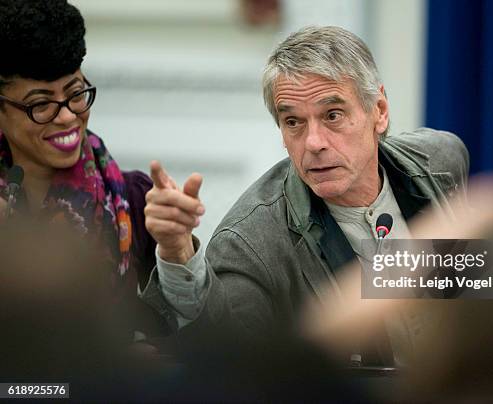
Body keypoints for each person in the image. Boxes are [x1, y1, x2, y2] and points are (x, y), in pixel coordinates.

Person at [142, 26, 469, 364]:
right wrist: (177, 253)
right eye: (294, 122)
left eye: (333, 115)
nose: (314, 143)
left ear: (380, 111)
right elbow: (227, 353)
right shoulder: (250, 244)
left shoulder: (441, 161)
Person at [0, 0, 186, 340]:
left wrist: (177, 253)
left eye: (76, 94)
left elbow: (193, 330)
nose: (68, 116)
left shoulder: (133, 199)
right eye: (41, 105)